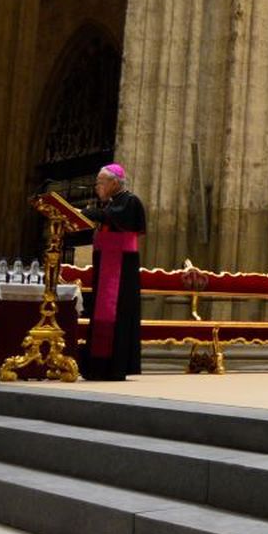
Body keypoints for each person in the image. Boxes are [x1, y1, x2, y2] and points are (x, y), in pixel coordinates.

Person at [80, 162, 146, 381]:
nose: (97, 186)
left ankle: (114, 365)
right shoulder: (111, 204)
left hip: (120, 268)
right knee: (101, 312)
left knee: (116, 312)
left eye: (101, 182)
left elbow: (114, 219)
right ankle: (99, 364)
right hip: (107, 264)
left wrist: (89, 213)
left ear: (115, 182)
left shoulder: (130, 201)